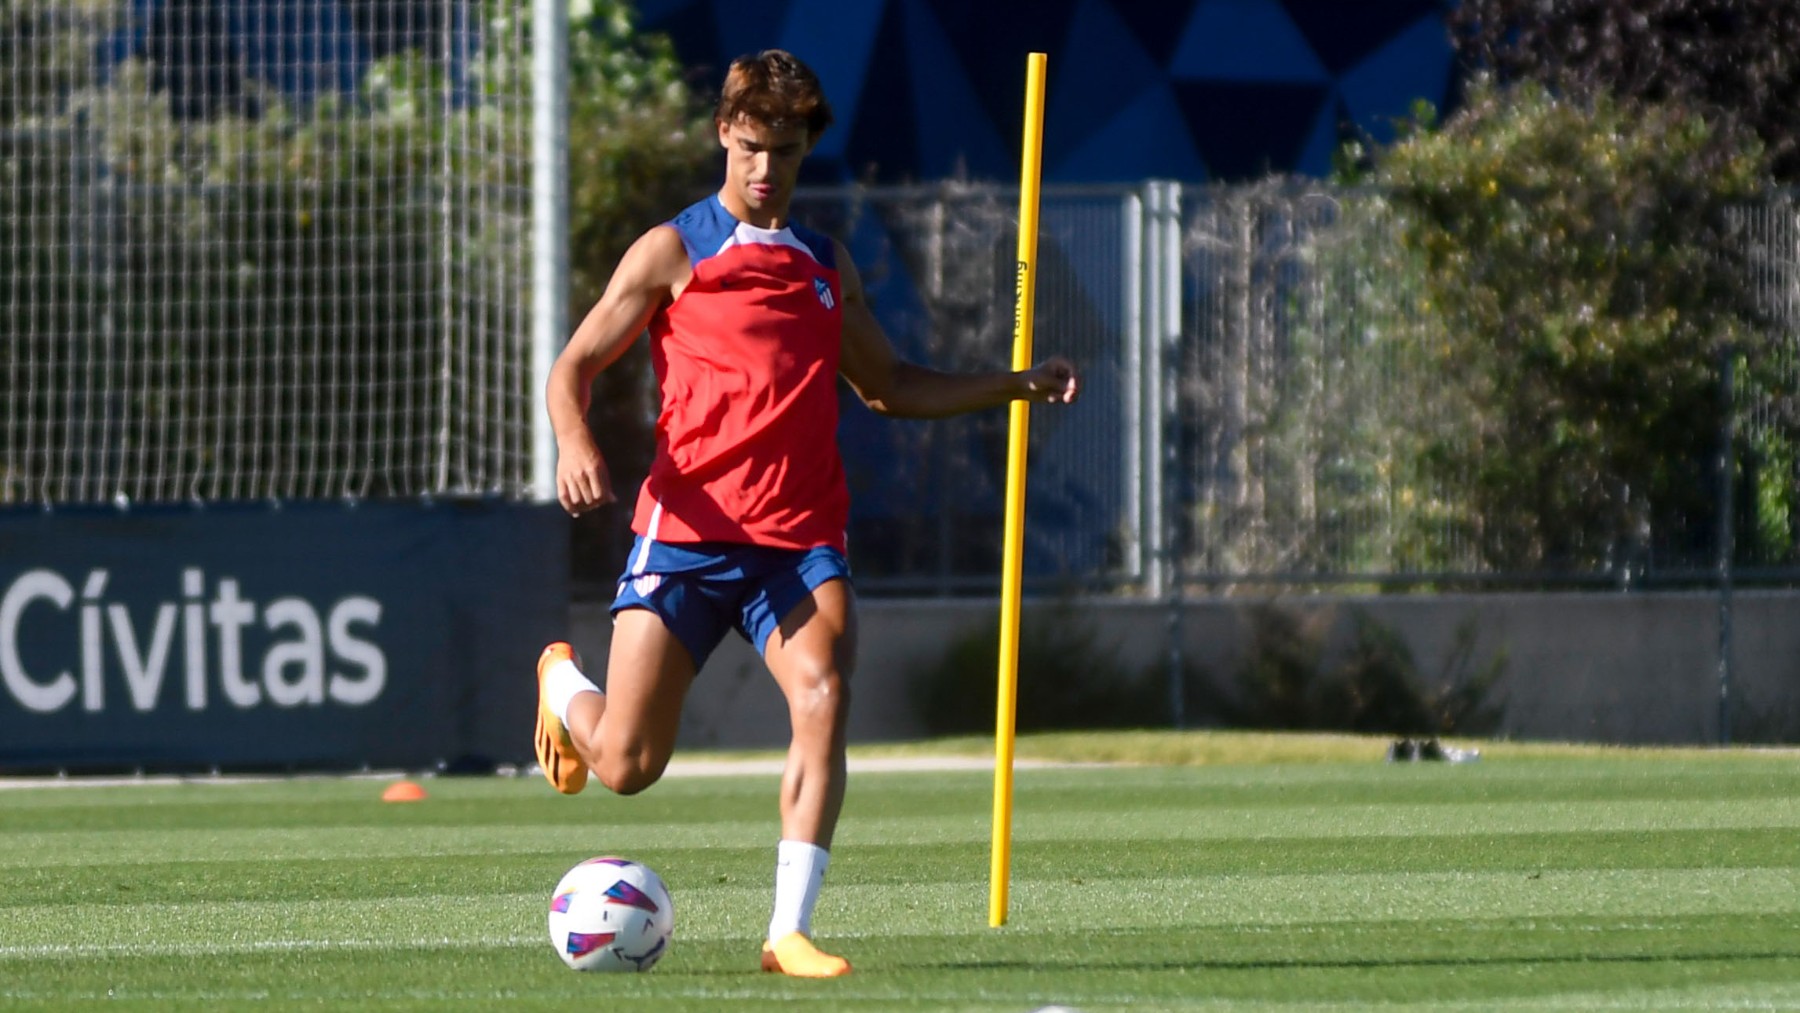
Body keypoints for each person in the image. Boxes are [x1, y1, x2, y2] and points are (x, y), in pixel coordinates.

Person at [532, 49, 1079, 978]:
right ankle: (557, 682)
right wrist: (575, 440)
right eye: (749, 147)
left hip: (799, 541)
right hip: (686, 538)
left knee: (824, 693)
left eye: (783, 151)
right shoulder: (675, 250)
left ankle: (787, 930)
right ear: (723, 135)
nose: (763, 169)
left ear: (804, 149)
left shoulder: (826, 266)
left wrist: (1013, 385)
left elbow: (891, 385)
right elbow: (572, 365)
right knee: (625, 763)